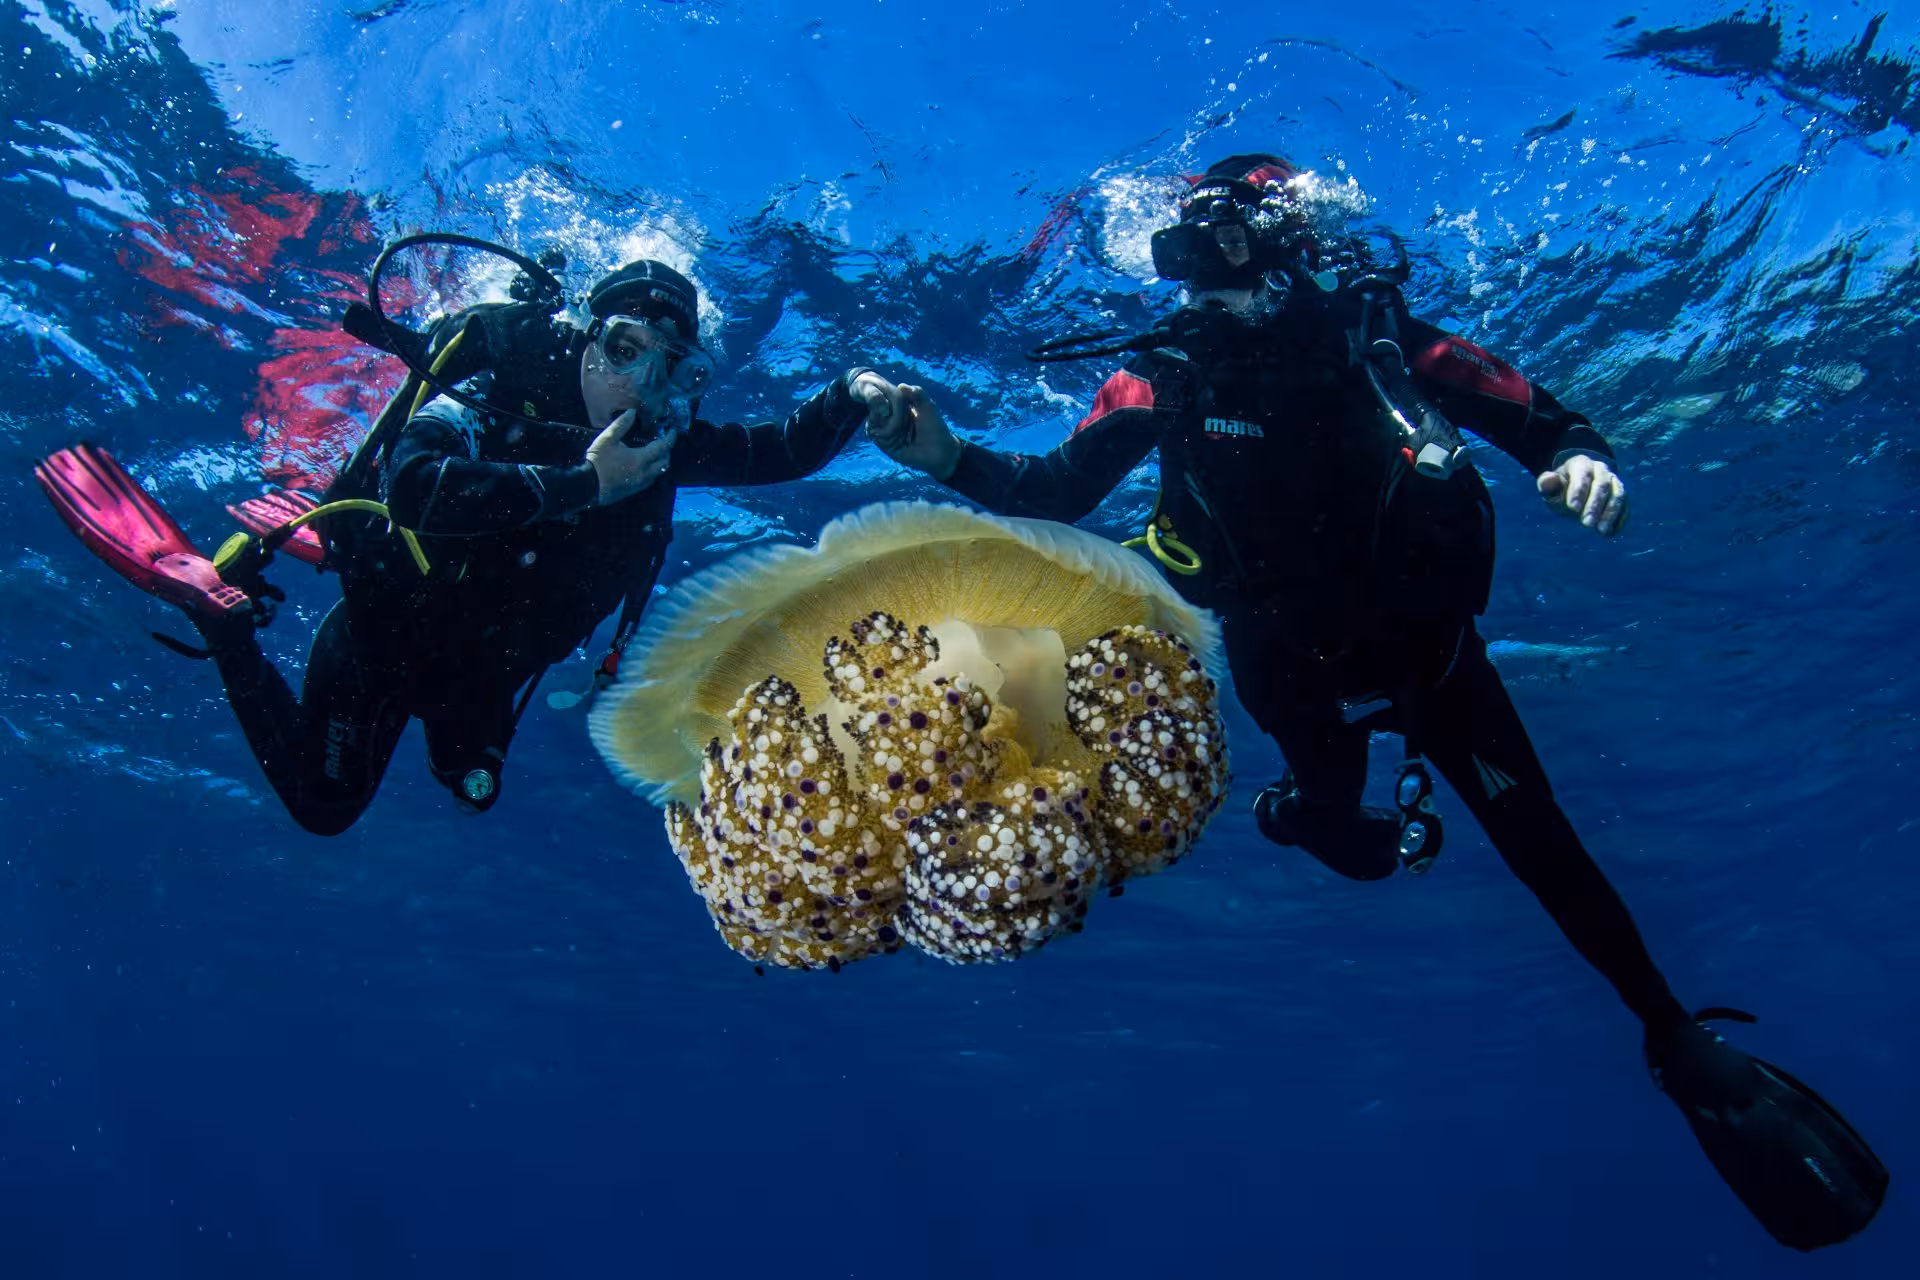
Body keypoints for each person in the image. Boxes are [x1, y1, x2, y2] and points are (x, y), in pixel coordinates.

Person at [865, 154, 1887, 1250]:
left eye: (1223, 251)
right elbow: (1050, 492)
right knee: (1350, 836)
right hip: (1285, 664)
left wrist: (1587, 462)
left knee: (1543, 838)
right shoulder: (1163, 377)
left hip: (1428, 656)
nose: (1198, 284)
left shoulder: (1384, 340)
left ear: (1290, 248)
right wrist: (942, 452)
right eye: (1179, 260)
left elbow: (1544, 417)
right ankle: (1301, 812)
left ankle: (1672, 1029)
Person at [38, 254, 904, 835]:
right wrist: (584, 486)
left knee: (473, 792)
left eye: (671, 366)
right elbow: (416, 485)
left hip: (488, 674)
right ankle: (227, 627)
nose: (638, 384)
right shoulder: (499, 382)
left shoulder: (663, 443)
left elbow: (781, 450)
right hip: (386, 636)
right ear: (587, 336)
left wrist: (854, 392)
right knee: (325, 808)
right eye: (624, 349)